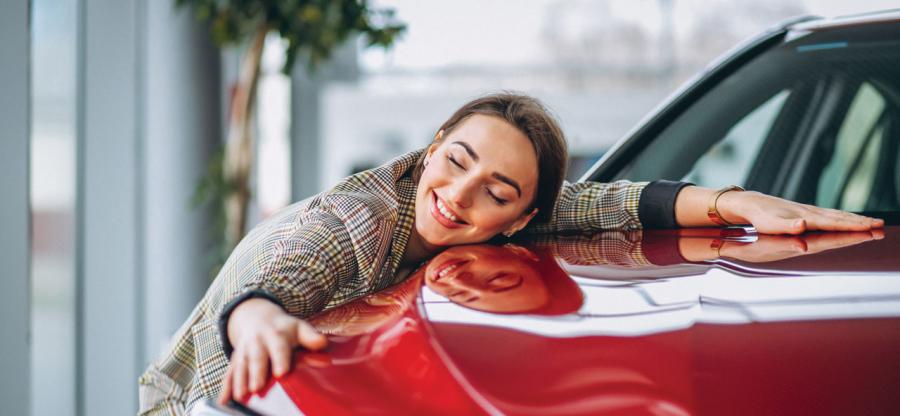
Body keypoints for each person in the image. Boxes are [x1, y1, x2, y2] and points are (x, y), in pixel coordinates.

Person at [138, 92, 883, 415]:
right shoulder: (355, 219)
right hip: (196, 397)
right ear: (432, 147)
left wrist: (732, 202)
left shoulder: (521, 218)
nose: (459, 195)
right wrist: (259, 317)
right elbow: (289, 273)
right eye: (455, 160)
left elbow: (609, 204)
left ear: (525, 215)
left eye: (496, 191)